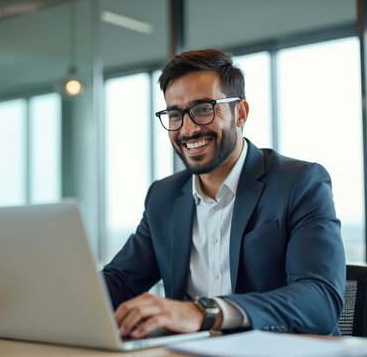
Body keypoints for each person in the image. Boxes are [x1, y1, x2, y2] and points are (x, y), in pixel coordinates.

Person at [101, 49, 345, 338]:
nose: (188, 129)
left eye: (203, 109)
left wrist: (205, 312)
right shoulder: (163, 197)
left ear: (239, 113)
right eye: (175, 114)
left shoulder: (299, 183)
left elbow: (320, 300)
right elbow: (120, 281)